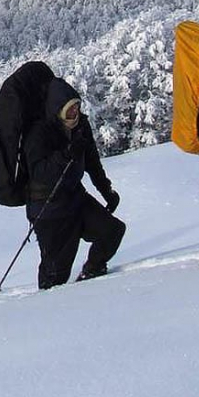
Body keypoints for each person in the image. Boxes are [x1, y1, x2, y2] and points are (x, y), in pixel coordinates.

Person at [24, 77, 125, 288]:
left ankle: (91, 273)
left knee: (112, 231)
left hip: (75, 198)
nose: (75, 113)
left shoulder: (80, 126)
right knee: (55, 275)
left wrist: (106, 191)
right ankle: (46, 307)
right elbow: (38, 172)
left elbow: (92, 162)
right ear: (57, 109)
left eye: (77, 107)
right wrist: (66, 154)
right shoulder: (38, 132)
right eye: (70, 109)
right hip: (49, 209)